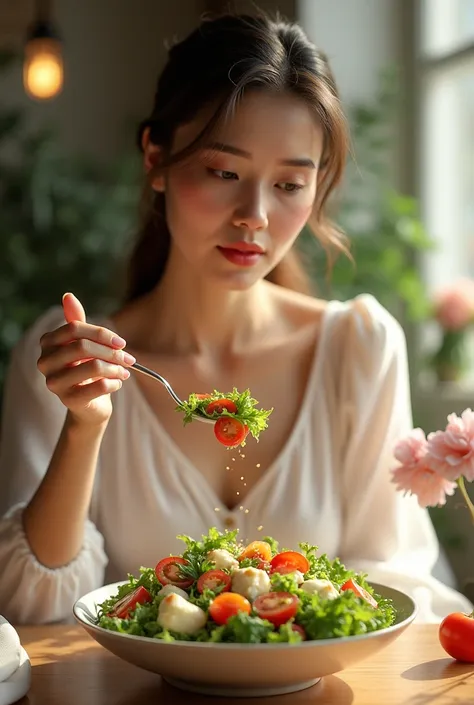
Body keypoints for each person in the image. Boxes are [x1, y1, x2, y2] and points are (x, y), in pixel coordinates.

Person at [0, 12, 470, 626]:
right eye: (224, 173)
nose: (255, 215)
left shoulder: (358, 346)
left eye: (290, 184)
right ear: (156, 157)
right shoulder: (67, 356)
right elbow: (35, 611)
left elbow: (390, 587)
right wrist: (85, 428)